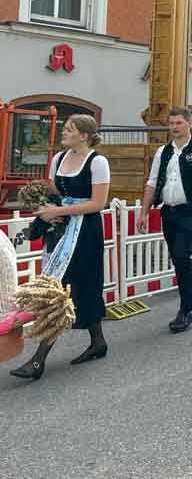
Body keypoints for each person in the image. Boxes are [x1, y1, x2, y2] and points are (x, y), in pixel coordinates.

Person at [11, 115, 111, 380]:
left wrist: (61, 209)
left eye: (69, 130)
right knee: (69, 284)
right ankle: (98, 341)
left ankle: (38, 360)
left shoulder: (97, 162)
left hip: (86, 231)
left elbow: (98, 203)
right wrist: (48, 210)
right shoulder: (59, 159)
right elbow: (55, 192)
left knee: (64, 288)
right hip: (61, 228)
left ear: (85, 136)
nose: (64, 133)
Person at [138, 106, 192, 333]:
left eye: (178, 123)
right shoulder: (163, 152)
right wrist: (144, 211)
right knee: (177, 257)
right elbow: (152, 182)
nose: (174, 127)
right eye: (171, 123)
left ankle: (187, 309)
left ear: (188, 124)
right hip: (169, 211)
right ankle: (187, 304)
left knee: (182, 255)